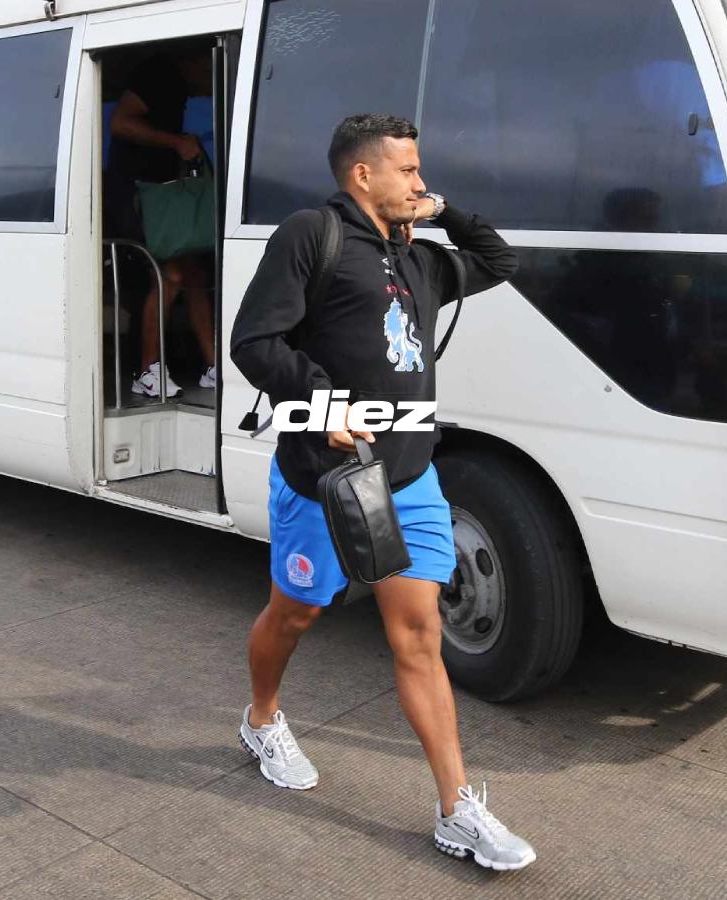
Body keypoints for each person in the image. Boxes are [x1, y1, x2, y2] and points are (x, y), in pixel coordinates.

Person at [229, 114, 534, 870]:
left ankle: (457, 808)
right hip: (324, 482)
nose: (420, 182)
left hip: (409, 476)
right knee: (294, 613)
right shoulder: (311, 235)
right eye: (408, 170)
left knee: (419, 636)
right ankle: (262, 718)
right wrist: (324, 400)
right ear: (362, 175)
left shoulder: (422, 262)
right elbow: (254, 341)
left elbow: (501, 259)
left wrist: (443, 212)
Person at [106, 44, 217, 398]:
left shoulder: (179, 88)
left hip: (161, 201)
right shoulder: (159, 74)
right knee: (170, 274)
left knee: (194, 273)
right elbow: (119, 122)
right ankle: (147, 370)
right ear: (197, 60)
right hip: (136, 200)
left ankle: (214, 366)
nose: (212, 86)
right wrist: (176, 143)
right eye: (211, 73)